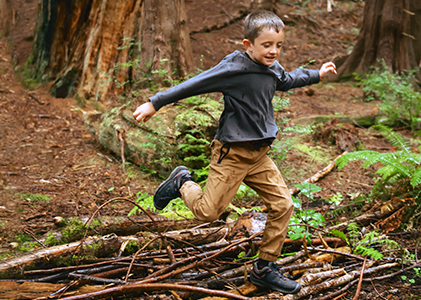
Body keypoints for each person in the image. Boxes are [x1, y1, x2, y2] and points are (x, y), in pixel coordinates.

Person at [132, 10, 336, 294]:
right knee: (208, 213)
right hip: (233, 154)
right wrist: (155, 102)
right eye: (267, 45)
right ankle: (182, 183)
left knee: (283, 205)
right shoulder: (234, 68)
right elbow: (195, 84)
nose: (274, 51)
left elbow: (287, 80)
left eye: (278, 45)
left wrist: (317, 75)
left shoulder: (272, 68)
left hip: (259, 154)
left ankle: (265, 268)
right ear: (248, 44)